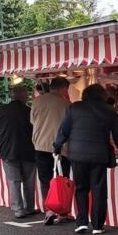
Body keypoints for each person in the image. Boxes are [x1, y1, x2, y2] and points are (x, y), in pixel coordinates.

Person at [53, 84, 118, 235]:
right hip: (99, 155)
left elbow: (64, 130)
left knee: (81, 188)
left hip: (78, 154)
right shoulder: (109, 110)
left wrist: (57, 147)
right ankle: (98, 225)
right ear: (102, 95)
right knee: (99, 190)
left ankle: (81, 222)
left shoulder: (74, 108)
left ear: (85, 94)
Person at [0, 85, 37, 218]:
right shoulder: (29, 111)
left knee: (14, 180)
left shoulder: (0, 111)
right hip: (28, 149)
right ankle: (30, 207)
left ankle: (18, 209)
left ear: (12, 95)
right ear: (25, 96)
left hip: (7, 150)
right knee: (29, 180)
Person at [31, 76, 72, 225]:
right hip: (61, 147)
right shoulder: (66, 104)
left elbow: (32, 121)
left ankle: (48, 209)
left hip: (40, 145)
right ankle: (62, 211)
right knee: (62, 180)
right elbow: (69, 127)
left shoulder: (36, 102)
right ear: (63, 88)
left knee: (45, 179)